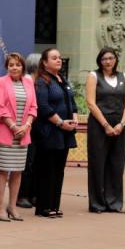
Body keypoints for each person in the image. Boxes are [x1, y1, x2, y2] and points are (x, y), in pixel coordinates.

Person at [0, 53, 37, 222]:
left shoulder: (28, 82)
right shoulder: (0, 82)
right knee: (3, 170)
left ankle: (12, 206)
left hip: (23, 134)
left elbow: (34, 107)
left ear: (22, 67)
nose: (14, 68)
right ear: (7, 67)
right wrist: (14, 126)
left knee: (17, 171)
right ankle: (0, 207)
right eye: (11, 65)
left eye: (17, 65)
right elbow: (0, 108)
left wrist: (26, 126)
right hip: (5, 131)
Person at [86, 47, 125, 214]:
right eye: (104, 58)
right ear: (100, 60)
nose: (108, 61)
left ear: (116, 60)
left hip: (120, 125)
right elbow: (91, 103)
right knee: (98, 163)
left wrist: (122, 123)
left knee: (117, 164)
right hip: (99, 125)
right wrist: (106, 125)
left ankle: (114, 203)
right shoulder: (93, 76)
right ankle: (97, 203)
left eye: (111, 58)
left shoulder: (123, 77)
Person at [33, 47, 77, 218]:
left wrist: (74, 117)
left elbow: (71, 102)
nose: (58, 60)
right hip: (49, 131)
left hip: (64, 132)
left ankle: (54, 205)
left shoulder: (61, 80)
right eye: (54, 58)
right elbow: (43, 107)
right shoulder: (42, 81)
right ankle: (43, 207)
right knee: (47, 169)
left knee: (59, 170)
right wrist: (60, 123)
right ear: (44, 62)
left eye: (59, 57)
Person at [16, 53, 42, 209]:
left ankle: (33, 193)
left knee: (35, 162)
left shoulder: (39, 82)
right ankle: (22, 195)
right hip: (26, 127)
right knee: (27, 163)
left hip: (38, 127)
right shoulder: (26, 81)